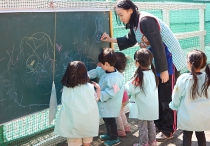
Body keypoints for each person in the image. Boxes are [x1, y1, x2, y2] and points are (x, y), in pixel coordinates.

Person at [100, 0, 186, 140]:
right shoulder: (135, 23)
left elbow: (158, 46)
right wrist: (111, 39)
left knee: (166, 97)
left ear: (130, 10)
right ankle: (159, 125)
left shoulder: (145, 21)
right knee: (157, 96)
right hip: (158, 61)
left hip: (169, 61)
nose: (121, 18)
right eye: (119, 16)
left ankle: (169, 130)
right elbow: (130, 40)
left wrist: (164, 70)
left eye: (121, 15)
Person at [169, 49, 210, 146]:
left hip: (187, 116)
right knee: (200, 134)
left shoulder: (183, 79)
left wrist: (174, 106)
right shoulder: (207, 78)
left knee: (187, 135)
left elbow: (176, 96)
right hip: (202, 116)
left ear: (190, 63)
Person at [54, 61, 100, 146]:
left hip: (72, 121)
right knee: (87, 142)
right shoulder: (89, 87)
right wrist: (98, 89)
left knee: (74, 143)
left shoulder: (66, 89)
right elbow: (95, 99)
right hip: (88, 121)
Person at [88, 48, 125, 146]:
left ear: (107, 64)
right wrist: (86, 75)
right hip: (105, 104)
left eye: (101, 63)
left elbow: (111, 92)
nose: (100, 65)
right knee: (106, 119)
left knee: (110, 121)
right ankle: (109, 134)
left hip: (110, 104)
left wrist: (98, 95)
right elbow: (97, 72)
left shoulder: (115, 78)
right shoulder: (106, 70)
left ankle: (115, 138)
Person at [125, 48, 159, 146]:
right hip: (152, 105)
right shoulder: (152, 72)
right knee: (151, 123)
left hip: (142, 107)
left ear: (137, 62)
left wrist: (127, 84)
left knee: (142, 126)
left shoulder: (140, 76)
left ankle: (144, 143)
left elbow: (131, 89)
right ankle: (153, 141)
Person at [114, 52, 131, 137]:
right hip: (124, 95)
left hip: (119, 97)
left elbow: (115, 88)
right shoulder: (121, 71)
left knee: (117, 114)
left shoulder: (114, 74)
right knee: (122, 112)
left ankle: (121, 130)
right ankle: (126, 126)